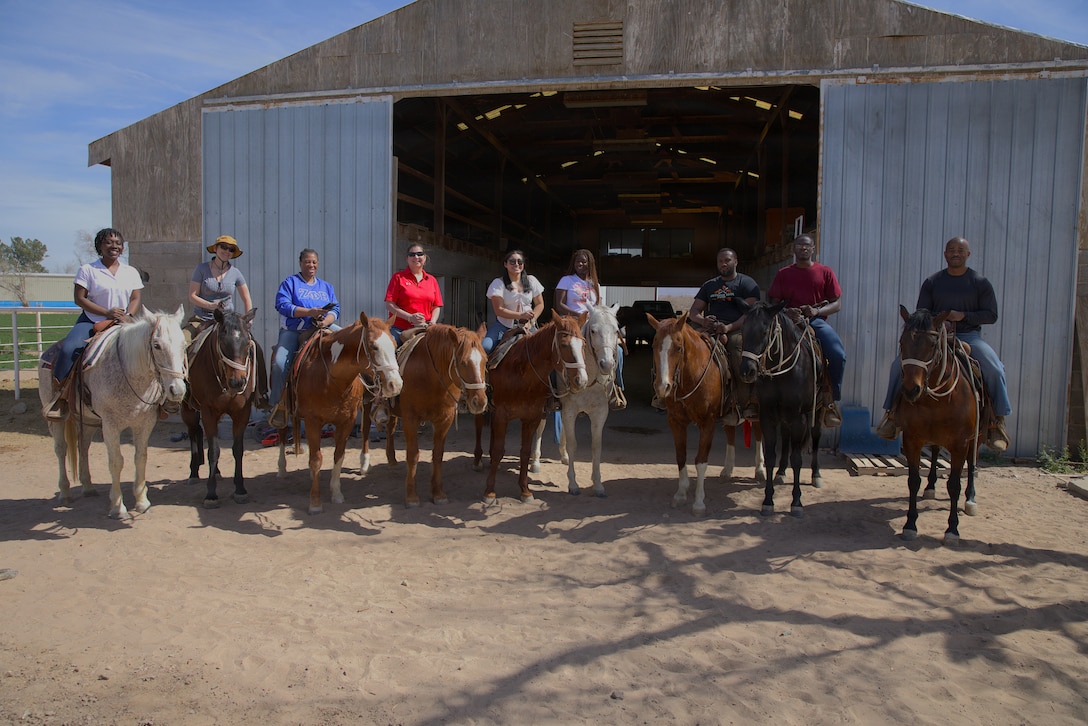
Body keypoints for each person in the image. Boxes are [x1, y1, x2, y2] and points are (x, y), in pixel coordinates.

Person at [875, 236, 1011, 451]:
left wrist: (962, 316)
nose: (955, 253)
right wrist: (937, 324)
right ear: (945, 254)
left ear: (968, 254)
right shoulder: (933, 282)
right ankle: (892, 416)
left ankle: (996, 423)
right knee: (897, 366)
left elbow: (991, 315)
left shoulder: (980, 282)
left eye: (960, 249)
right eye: (951, 249)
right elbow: (921, 313)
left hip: (969, 337)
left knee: (994, 368)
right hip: (934, 337)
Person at [44, 228, 144, 421]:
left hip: (122, 321)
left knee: (148, 348)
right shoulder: (88, 270)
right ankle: (60, 398)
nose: (114, 246)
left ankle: (157, 399)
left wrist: (128, 314)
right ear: (99, 246)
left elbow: (135, 297)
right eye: (108, 242)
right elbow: (79, 299)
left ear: (122, 248)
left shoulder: (130, 272)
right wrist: (106, 312)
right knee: (68, 350)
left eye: (118, 243)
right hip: (92, 320)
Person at [767, 234, 845, 427]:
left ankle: (830, 398)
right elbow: (772, 302)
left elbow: (837, 303)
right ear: (794, 249)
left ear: (813, 249)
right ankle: (762, 399)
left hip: (815, 322)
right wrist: (786, 311)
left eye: (807, 245)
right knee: (762, 350)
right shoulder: (783, 273)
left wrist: (816, 311)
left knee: (837, 354)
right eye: (799, 245)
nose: (803, 248)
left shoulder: (825, 272)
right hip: (787, 323)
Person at [184, 234, 268, 408]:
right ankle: (180, 393)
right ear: (215, 249)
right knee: (182, 342)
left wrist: (247, 320)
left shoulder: (235, 273)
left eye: (231, 249)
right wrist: (211, 306)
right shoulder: (201, 269)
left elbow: (246, 298)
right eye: (223, 247)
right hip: (202, 318)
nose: (226, 251)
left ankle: (261, 393)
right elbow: (192, 296)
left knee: (254, 346)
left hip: (228, 321)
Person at [267, 248, 340, 428]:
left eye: (314, 262)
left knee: (349, 344)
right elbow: (282, 305)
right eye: (307, 261)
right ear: (300, 263)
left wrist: (326, 321)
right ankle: (278, 405)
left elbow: (335, 310)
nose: (311, 265)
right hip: (295, 331)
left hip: (323, 327)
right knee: (279, 362)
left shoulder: (326, 286)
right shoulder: (290, 283)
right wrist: (310, 312)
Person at [687, 248, 761, 424]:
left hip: (737, 328)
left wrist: (728, 327)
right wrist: (703, 321)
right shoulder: (709, 285)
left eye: (727, 260)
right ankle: (670, 394)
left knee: (737, 352)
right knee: (680, 345)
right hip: (712, 327)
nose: (723, 264)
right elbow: (694, 311)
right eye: (720, 261)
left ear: (735, 261)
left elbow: (749, 313)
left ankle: (745, 403)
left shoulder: (747, 283)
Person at [555, 248, 625, 410]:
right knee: (555, 351)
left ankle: (616, 388)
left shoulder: (595, 284)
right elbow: (559, 304)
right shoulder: (567, 280)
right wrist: (580, 315)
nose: (581, 264)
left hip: (591, 324)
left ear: (590, 264)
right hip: (571, 324)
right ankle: (552, 392)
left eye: (584, 261)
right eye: (578, 261)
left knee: (618, 352)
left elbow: (598, 307)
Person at [481, 249, 544, 354]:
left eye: (520, 262)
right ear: (505, 264)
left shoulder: (532, 280)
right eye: (512, 261)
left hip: (528, 325)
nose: (516, 264)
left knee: (545, 352)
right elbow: (499, 310)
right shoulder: (498, 283)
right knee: (485, 348)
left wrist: (531, 322)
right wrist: (521, 315)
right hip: (504, 326)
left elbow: (540, 304)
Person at [384, 242, 443, 345]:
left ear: (424, 258)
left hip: (425, 329)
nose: (416, 257)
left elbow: (436, 306)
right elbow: (389, 305)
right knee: (387, 347)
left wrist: (433, 322)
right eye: (412, 254)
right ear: (407, 259)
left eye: (419, 254)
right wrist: (410, 317)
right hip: (400, 329)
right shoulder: (398, 278)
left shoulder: (432, 280)